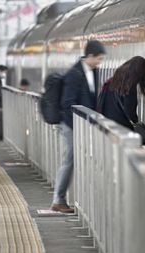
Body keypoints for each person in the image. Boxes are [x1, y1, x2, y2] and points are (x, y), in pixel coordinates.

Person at [50, 40, 106, 213]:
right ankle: (58, 200)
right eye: (98, 58)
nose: (100, 62)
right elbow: (68, 103)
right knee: (69, 160)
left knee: (79, 160)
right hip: (70, 125)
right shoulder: (74, 74)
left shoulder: (93, 72)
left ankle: (77, 199)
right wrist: (78, 127)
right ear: (89, 56)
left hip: (82, 125)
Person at [97, 56, 145, 130]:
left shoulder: (111, 82)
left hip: (106, 126)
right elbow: (130, 112)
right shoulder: (129, 87)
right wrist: (136, 122)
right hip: (121, 130)